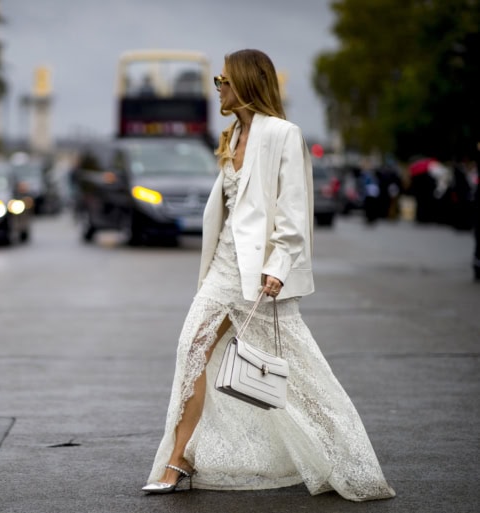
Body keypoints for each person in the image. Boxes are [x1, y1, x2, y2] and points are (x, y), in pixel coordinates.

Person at [142, 49, 396, 502]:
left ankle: (347, 458)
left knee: (298, 374)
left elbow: (294, 211)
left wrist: (278, 267)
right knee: (192, 350)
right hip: (221, 272)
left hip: (260, 276)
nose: (217, 86)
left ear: (244, 82)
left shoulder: (283, 134)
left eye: (223, 79)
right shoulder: (233, 133)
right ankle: (178, 458)